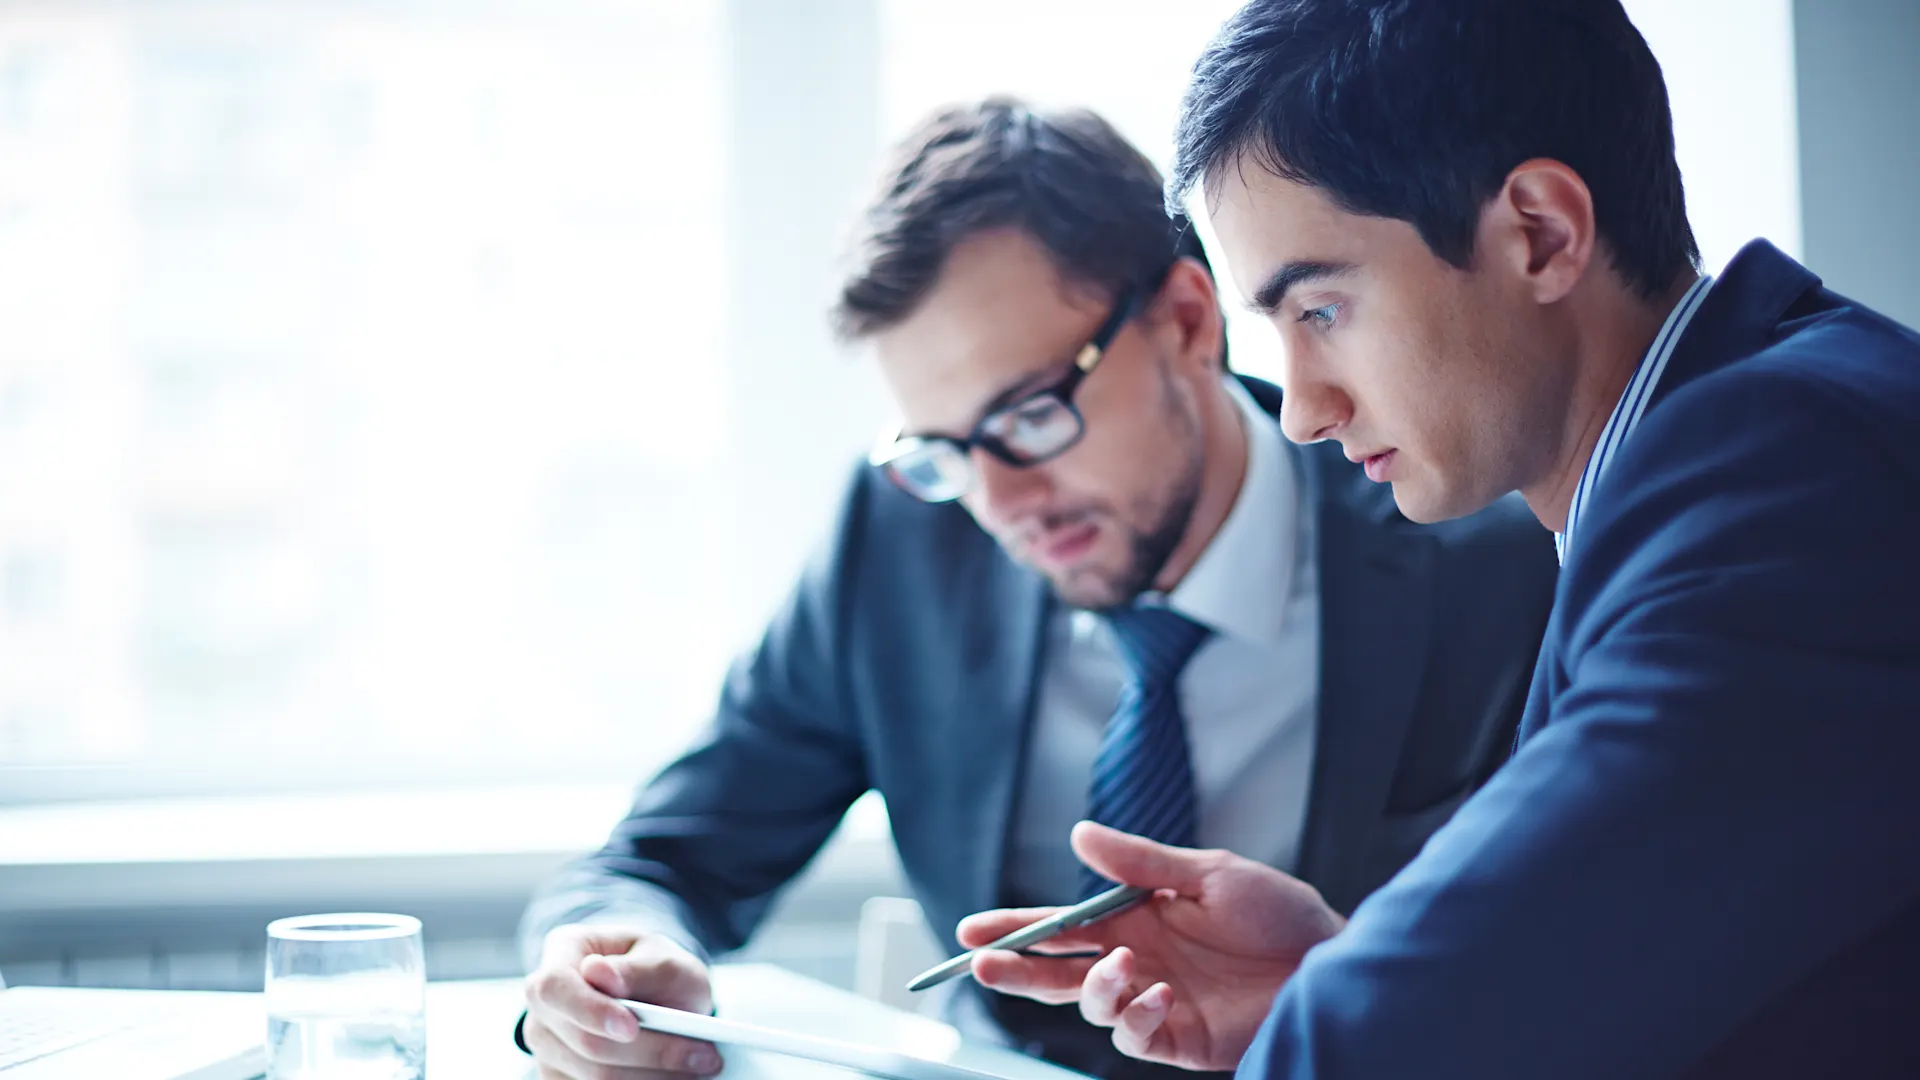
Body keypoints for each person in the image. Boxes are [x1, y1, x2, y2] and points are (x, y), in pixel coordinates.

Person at [960, 3, 1920, 1078]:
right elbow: (1697, 964)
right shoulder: (1725, 455)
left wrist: (1378, 1016)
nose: (1302, 410)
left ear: (1540, 234)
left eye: (1320, 309)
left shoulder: (1779, 472)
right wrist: (1338, 972)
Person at [513, 97, 1557, 1080]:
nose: (1000, 500)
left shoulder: (1477, 565)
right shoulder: (901, 542)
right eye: (946, 452)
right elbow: (664, 856)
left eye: (1026, 418)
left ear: (1188, 321)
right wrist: (611, 959)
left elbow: (1561, 988)